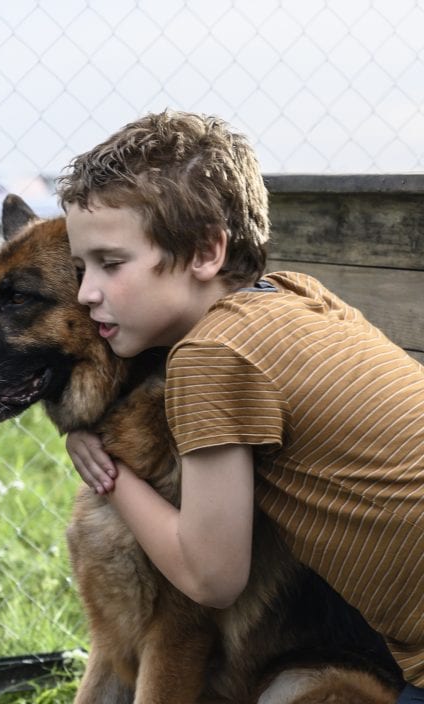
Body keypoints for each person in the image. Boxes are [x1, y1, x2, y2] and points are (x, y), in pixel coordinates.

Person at [57, 109, 424, 701]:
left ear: (206, 251)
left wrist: (110, 474)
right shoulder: (298, 295)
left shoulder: (213, 355)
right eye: (80, 269)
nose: (85, 292)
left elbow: (211, 578)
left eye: (111, 264)